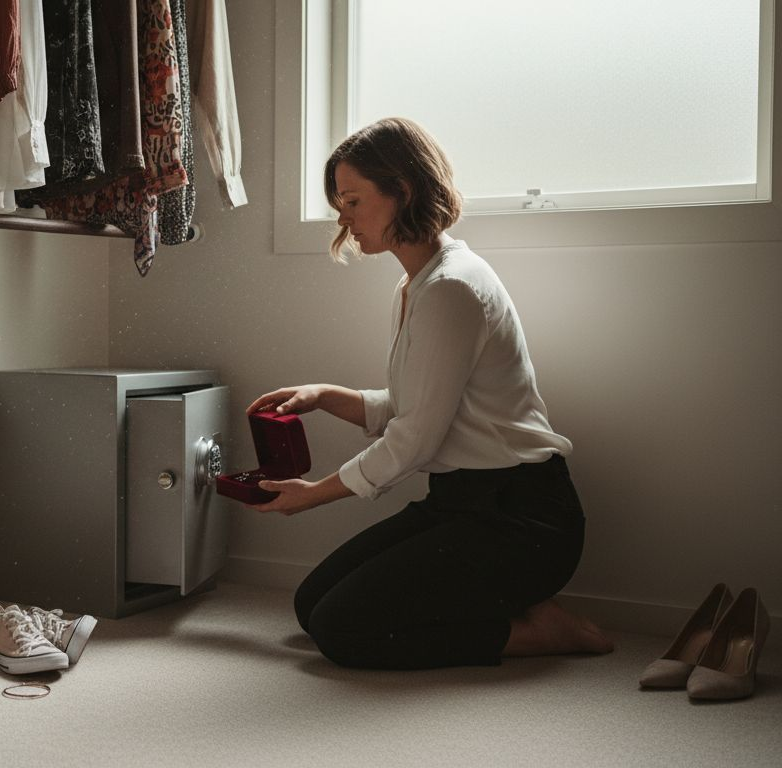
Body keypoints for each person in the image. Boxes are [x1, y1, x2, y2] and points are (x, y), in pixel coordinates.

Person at [245, 117, 614, 670]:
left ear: (404, 190)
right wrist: (324, 395)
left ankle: (542, 630)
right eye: (338, 202)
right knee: (310, 604)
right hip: (459, 504)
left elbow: (414, 438)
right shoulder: (422, 282)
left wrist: (313, 494)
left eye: (352, 200)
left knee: (340, 631)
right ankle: (500, 602)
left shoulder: (451, 288)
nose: (342, 217)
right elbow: (416, 407)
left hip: (521, 520)